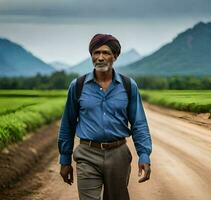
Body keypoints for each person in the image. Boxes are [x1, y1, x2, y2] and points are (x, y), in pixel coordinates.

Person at [57, 34, 152, 200]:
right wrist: (65, 160)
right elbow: (68, 124)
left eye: (106, 53)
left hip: (118, 154)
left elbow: (139, 124)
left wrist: (144, 155)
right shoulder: (77, 86)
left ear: (115, 56)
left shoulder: (129, 86)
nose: (100, 57)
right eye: (96, 52)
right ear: (91, 56)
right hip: (87, 154)